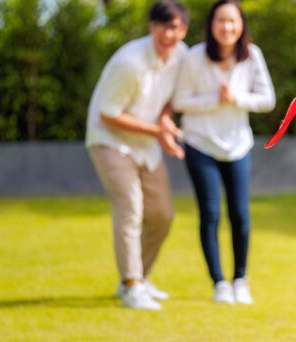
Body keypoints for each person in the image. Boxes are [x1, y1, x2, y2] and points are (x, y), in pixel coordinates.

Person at [85, 0, 189, 311]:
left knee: (162, 215)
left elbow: (169, 100)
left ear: (183, 31)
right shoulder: (129, 62)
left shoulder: (181, 57)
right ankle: (131, 286)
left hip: (146, 142)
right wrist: (158, 132)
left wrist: (166, 120)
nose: (166, 33)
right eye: (161, 26)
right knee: (131, 208)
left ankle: (138, 278)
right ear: (151, 27)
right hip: (109, 141)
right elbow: (108, 114)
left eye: (174, 27)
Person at [172, 0, 275, 305]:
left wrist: (236, 98)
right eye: (221, 21)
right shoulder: (193, 57)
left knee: (240, 214)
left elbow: (267, 99)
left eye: (232, 21)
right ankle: (219, 282)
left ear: (241, 24)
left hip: (237, 145)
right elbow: (179, 101)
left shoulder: (251, 55)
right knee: (210, 213)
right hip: (200, 144)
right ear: (211, 24)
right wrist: (215, 100)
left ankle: (240, 279)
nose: (227, 27)